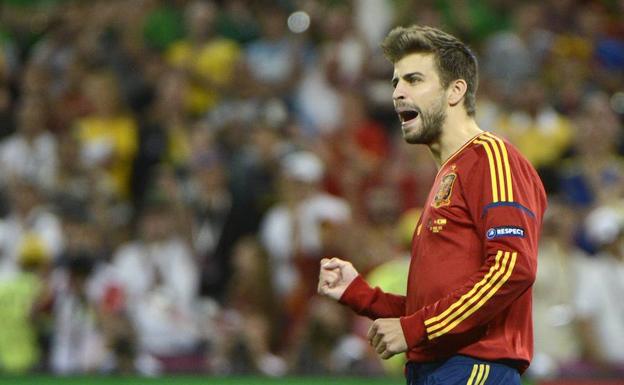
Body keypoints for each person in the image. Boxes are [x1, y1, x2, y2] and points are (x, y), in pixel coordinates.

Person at [318, 25, 546, 385]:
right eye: (395, 83)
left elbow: (511, 267)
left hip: (475, 369)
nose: (397, 93)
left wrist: (413, 329)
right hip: (438, 370)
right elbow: (437, 308)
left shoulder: (491, 157)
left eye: (413, 80)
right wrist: (361, 294)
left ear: (455, 90)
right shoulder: (445, 176)